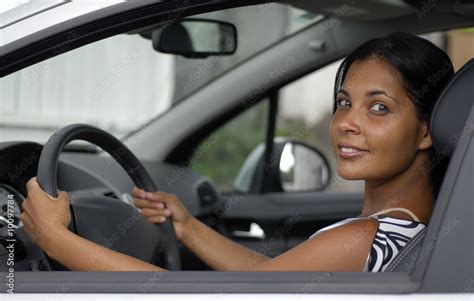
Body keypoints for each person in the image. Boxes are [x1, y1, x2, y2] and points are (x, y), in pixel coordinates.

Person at [20, 32, 454, 272]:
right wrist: (186, 227)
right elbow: (265, 280)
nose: (346, 123)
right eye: (344, 102)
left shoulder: (364, 239)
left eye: (379, 107)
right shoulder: (404, 232)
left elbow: (201, 297)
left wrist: (54, 238)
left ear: (426, 131)